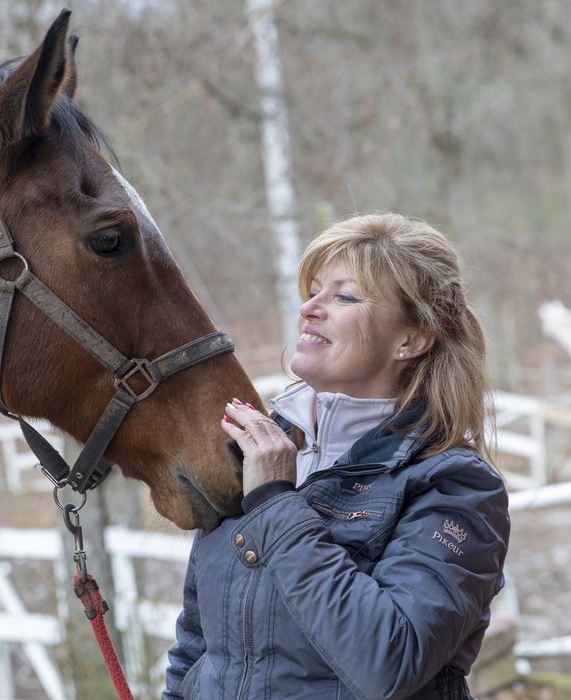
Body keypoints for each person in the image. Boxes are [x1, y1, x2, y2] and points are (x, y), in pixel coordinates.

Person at [162, 212, 510, 700]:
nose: (310, 309)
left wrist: (276, 504)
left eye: (344, 296)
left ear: (410, 339)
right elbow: (198, 648)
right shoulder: (255, 452)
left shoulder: (454, 483)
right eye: (313, 291)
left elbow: (391, 661)